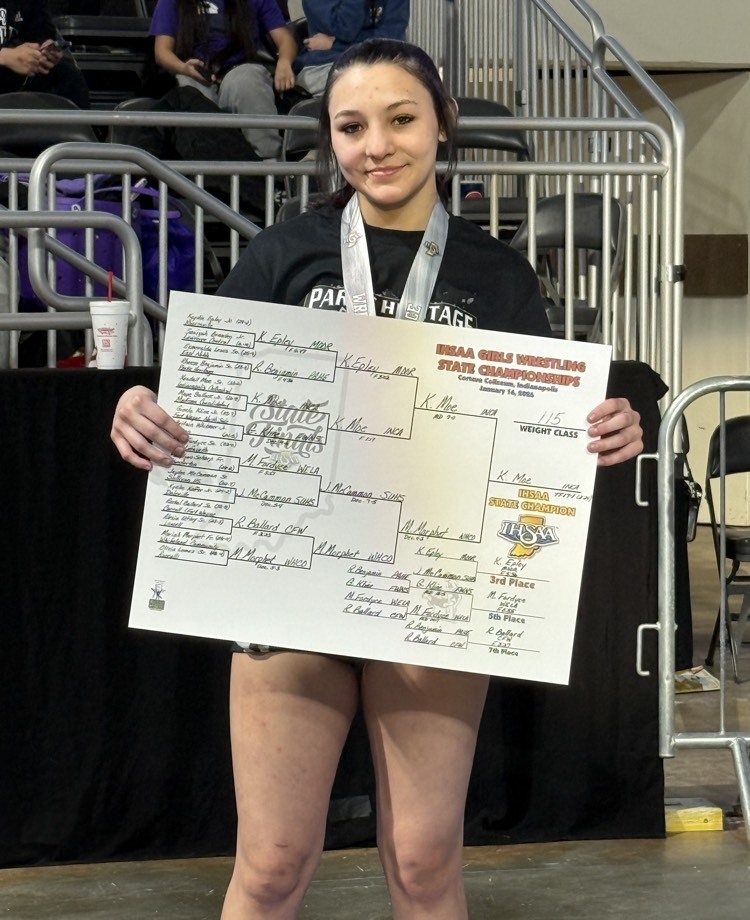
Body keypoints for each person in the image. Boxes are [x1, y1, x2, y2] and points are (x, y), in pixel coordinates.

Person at [111, 38, 643, 919]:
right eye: (352, 127)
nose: (378, 146)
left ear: (443, 124)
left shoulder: (498, 275)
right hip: (287, 582)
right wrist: (142, 405)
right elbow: (202, 398)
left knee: (425, 862)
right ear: (330, 136)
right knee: (273, 863)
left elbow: (539, 435)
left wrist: (603, 428)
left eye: (401, 119)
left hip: (431, 589)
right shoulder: (285, 254)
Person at [149, 0, 297, 159]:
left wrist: (284, 62)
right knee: (187, 90)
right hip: (194, 72)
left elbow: (285, 40)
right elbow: (162, 52)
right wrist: (183, 68)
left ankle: (269, 161)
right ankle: (207, 167)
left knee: (247, 81)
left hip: (239, 69)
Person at [295, 0, 409, 95]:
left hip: (379, 60)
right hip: (327, 64)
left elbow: (391, 39)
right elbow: (346, 30)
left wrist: (335, 44)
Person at [0, 0, 90, 108]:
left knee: (68, 76)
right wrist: (5, 56)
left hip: (18, 74)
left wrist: (45, 50)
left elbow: (42, 32)